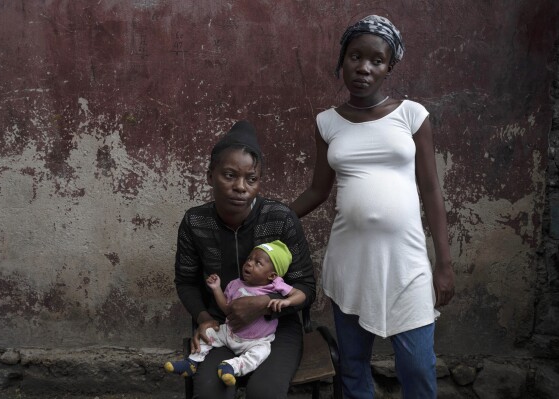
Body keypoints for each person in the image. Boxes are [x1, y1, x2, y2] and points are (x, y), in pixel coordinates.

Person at [290, 15, 455, 399]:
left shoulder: (412, 115)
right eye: (355, 57)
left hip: (407, 264)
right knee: (353, 368)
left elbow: (431, 190)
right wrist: (268, 215)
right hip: (350, 263)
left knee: (417, 366)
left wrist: (443, 264)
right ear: (342, 60)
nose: (364, 67)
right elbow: (317, 190)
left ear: (389, 67)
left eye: (376, 60)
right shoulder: (327, 123)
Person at [174, 120, 316, 399]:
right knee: (211, 392)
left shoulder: (279, 218)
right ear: (209, 175)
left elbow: (307, 287)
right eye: (229, 175)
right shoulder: (196, 222)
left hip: (276, 330)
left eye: (251, 179)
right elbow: (186, 281)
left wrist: (263, 305)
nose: (241, 187)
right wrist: (203, 318)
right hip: (223, 327)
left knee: (264, 392)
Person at [165, 240, 306, 386]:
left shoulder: (275, 286)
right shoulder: (235, 284)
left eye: (258, 263)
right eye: (249, 259)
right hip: (230, 333)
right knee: (207, 333)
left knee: (260, 354)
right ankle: (192, 362)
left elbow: (301, 294)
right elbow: (226, 308)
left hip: (257, 341)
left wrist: (287, 301)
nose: (249, 263)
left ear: (272, 275)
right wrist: (216, 288)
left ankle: (231, 367)